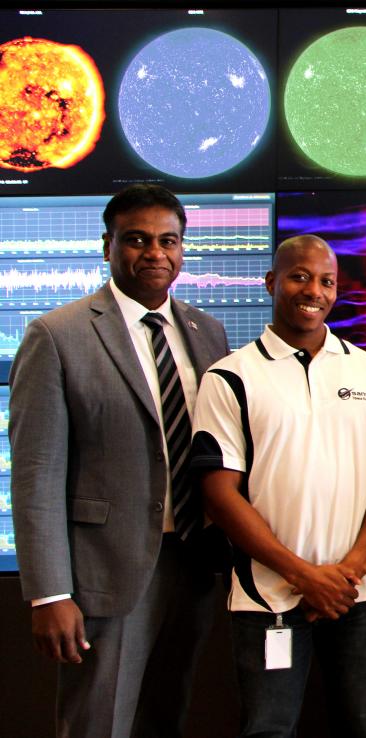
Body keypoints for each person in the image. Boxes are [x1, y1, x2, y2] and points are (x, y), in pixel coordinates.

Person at [10, 184, 229, 737]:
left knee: (167, 716)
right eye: (136, 239)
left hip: (195, 566)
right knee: (97, 725)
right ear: (107, 245)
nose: (154, 253)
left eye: (168, 240)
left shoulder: (209, 333)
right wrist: (50, 591)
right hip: (105, 572)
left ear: (182, 250)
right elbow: (36, 475)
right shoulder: (57, 336)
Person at [191, 235, 366, 737]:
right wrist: (303, 575)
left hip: (362, 593)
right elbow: (220, 493)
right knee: (268, 729)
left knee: (364, 727)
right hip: (267, 595)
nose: (314, 290)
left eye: (326, 281)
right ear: (272, 282)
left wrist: (347, 573)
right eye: (299, 276)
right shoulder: (229, 377)